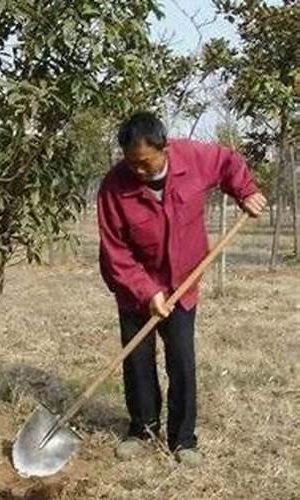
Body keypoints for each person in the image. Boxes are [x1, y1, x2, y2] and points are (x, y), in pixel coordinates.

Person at [96, 112, 266, 467]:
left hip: (182, 282)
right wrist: (146, 291)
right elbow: (115, 250)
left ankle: (183, 439)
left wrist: (245, 191)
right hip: (134, 287)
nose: (138, 172)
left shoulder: (193, 158)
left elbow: (229, 163)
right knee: (138, 361)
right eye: (131, 163)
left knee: (182, 361)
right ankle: (142, 429)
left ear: (164, 147)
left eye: (145, 163)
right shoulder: (114, 186)